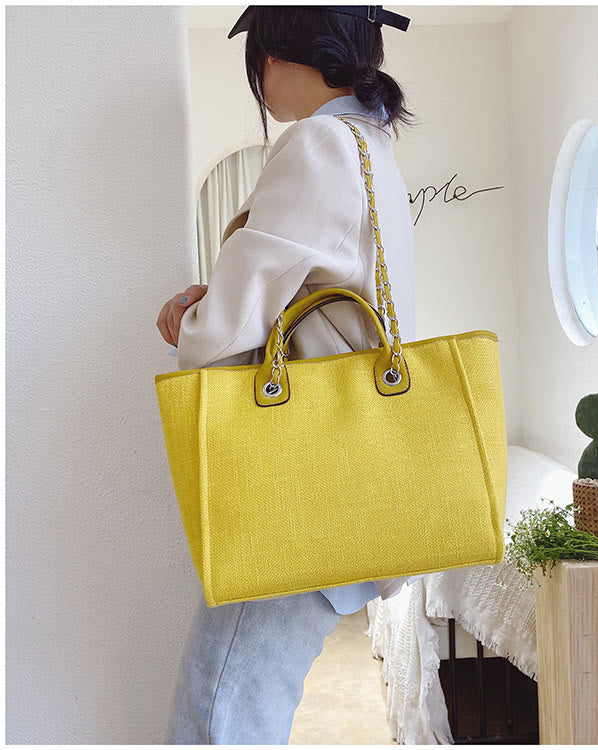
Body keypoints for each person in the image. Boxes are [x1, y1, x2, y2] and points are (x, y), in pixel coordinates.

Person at [155, 6, 421, 744]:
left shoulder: (317, 144)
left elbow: (225, 327)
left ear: (274, 56)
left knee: (217, 717)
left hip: (301, 482)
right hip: (350, 468)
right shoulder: (370, 146)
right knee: (240, 708)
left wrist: (191, 319)